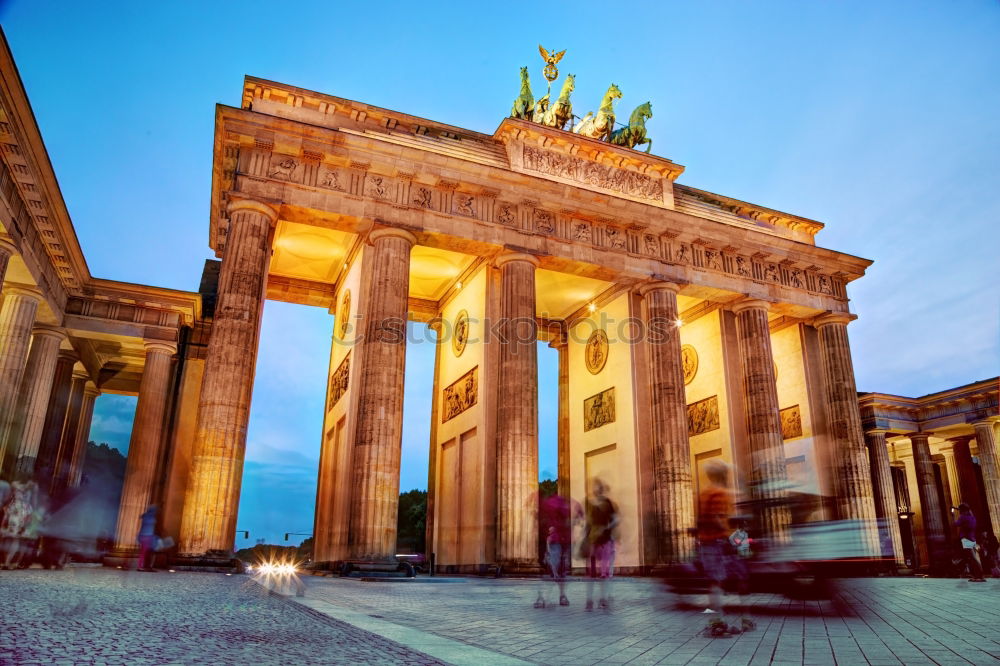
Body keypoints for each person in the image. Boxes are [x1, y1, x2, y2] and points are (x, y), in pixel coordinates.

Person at [534, 493, 583, 608]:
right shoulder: (558, 503)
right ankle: (550, 597)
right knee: (555, 569)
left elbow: (578, 517)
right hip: (557, 539)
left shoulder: (562, 503)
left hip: (562, 539)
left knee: (558, 570)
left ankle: (553, 596)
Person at [697, 461, 733, 614]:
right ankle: (716, 616)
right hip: (716, 540)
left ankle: (714, 610)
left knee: (713, 579)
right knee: (717, 578)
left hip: (705, 540)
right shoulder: (719, 493)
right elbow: (717, 517)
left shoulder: (704, 493)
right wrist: (728, 535)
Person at [581, 478, 618, 611]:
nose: (595, 489)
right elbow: (588, 522)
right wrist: (584, 537)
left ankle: (603, 598)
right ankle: (589, 600)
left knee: (604, 572)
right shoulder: (589, 503)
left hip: (605, 541)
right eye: (593, 487)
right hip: (592, 541)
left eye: (597, 486)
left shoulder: (607, 503)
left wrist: (606, 527)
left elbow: (615, 519)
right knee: (590, 573)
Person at [1, 477, 38, 569]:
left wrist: (25, 526)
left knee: (16, 543)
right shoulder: (13, 503)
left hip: (18, 525)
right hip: (12, 525)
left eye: (18, 492)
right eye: (15, 492)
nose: (16, 493)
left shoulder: (25, 505)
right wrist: (3, 524)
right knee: (10, 543)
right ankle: (8, 562)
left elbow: (29, 517)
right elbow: (7, 514)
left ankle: (11, 562)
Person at [954, 504, 985, 582]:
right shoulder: (972, 517)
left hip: (966, 539)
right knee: (973, 558)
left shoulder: (963, 517)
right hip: (972, 538)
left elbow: (956, 524)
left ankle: (979, 576)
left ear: (963, 510)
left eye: (960, 510)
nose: (960, 512)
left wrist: (953, 515)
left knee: (972, 558)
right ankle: (977, 576)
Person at [136, 505, 158, 572]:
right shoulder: (150, 517)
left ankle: (145, 566)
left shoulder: (145, 516)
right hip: (147, 536)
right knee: (145, 552)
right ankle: (142, 566)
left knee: (145, 552)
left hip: (145, 535)